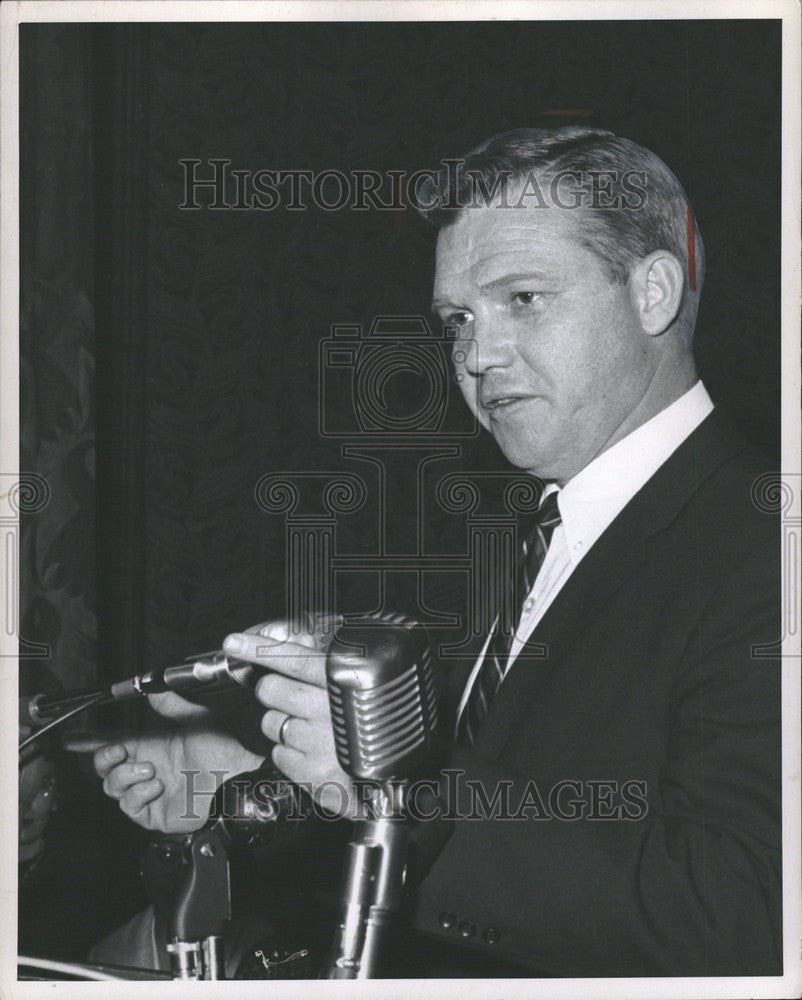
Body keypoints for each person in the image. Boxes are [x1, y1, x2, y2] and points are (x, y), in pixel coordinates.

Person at [87, 127, 782, 977]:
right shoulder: (521, 539)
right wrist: (266, 786)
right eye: (458, 318)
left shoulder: (767, 545)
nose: (477, 357)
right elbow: (511, 827)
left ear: (654, 293)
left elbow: (750, 913)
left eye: (522, 298)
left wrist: (393, 790)